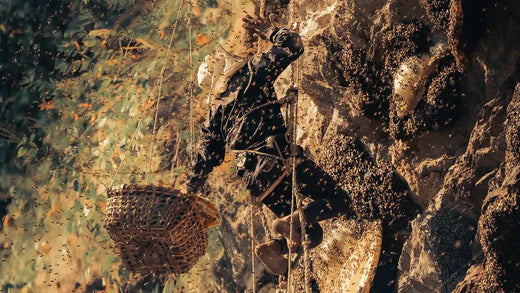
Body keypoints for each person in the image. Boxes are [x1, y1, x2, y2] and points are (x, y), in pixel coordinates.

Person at [185, 15, 353, 275]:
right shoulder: (250, 75)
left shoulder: (213, 116)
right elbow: (293, 44)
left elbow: (204, 160)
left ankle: (277, 245)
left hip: (256, 181)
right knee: (339, 200)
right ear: (229, 64)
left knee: (312, 232)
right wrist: (268, 30)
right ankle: (289, 223)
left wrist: (188, 190)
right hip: (277, 157)